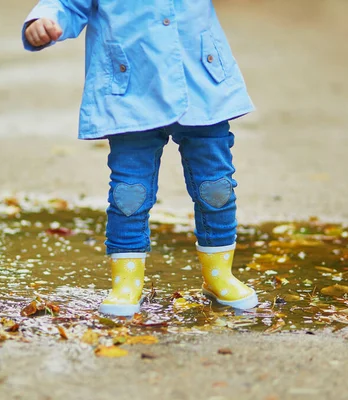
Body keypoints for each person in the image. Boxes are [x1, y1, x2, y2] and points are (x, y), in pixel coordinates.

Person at [22, 0, 258, 316]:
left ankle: (219, 275)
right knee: (129, 194)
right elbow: (66, 4)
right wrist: (45, 20)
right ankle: (126, 283)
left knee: (216, 186)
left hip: (200, 82)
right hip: (130, 90)